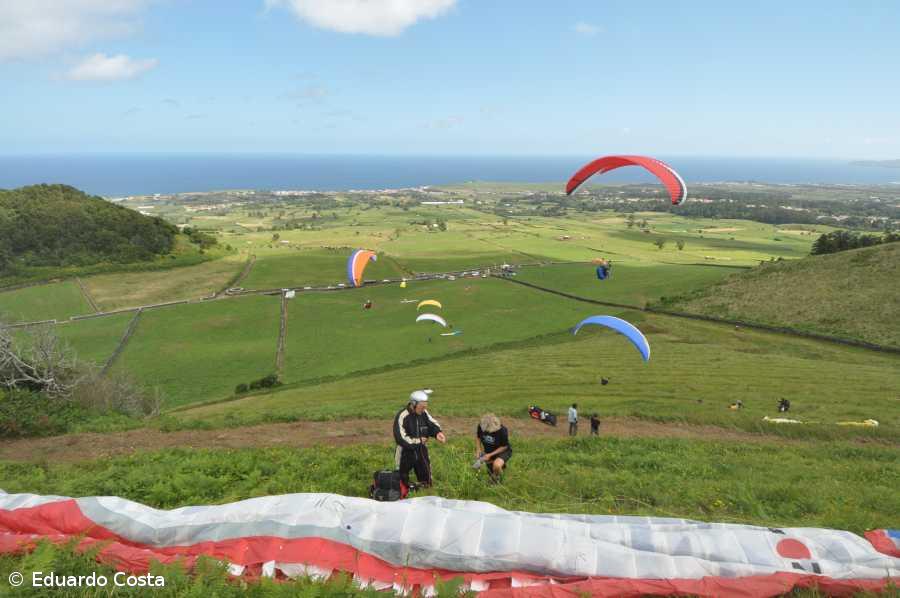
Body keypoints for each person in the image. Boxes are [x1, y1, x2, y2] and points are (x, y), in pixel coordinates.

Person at [393, 390, 446, 488]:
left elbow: (432, 424)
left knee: (427, 480)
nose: (424, 409)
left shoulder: (424, 413)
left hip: (421, 450)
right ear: (413, 404)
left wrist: (437, 433)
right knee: (401, 481)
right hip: (405, 452)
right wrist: (419, 441)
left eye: (425, 406)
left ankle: (425, 491)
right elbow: (400, 438)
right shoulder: (402, 416)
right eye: (422, 407)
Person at [473, 413, 511, 483]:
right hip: (488, 450)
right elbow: (478, 437)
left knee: (496, 466)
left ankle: (499, 481)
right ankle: (495, 477)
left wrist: (490, 455)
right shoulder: (481, 425)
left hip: (502, 450)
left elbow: (504, 446)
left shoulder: (502, 430)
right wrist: (478, 449)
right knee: (477, 466)